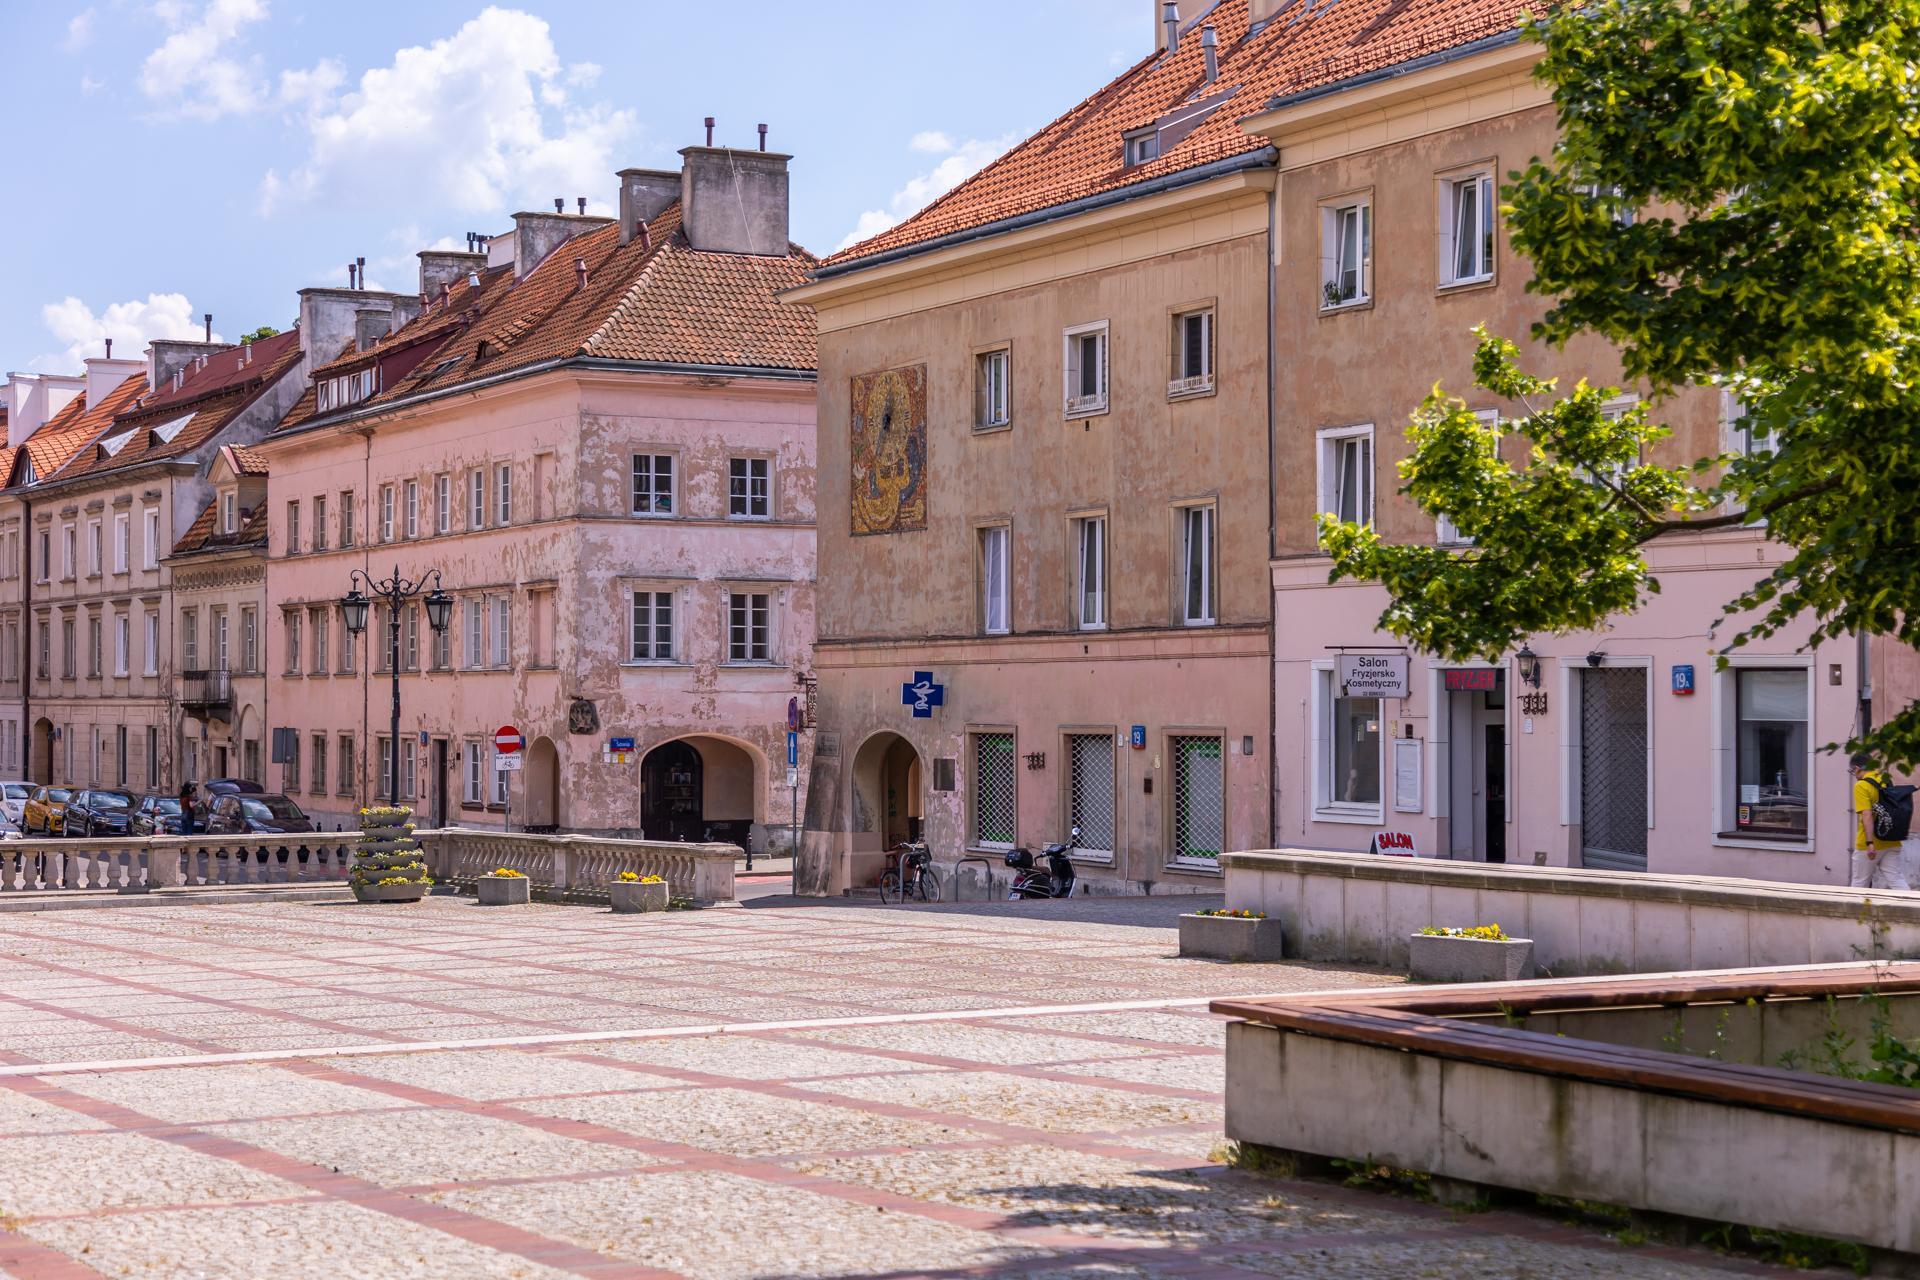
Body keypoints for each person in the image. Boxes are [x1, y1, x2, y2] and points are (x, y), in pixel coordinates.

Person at [1849, 753, 1912, 890]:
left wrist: (1870, 843)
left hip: (1869, 844)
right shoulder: (1884, 780)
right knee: (1896, 879)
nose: (1853, 774)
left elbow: (1867, 814)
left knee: (1859, 883)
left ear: (1857, 768)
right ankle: (1913, 908)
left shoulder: (1861, 785)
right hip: (1891, 839)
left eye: (1852, 771)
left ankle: (1856, 912)